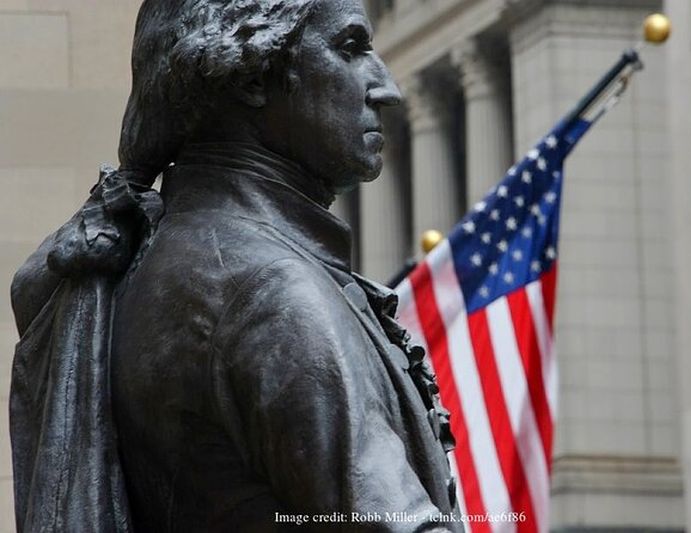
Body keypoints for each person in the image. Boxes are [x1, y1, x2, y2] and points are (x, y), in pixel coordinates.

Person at [9, 0, 461, 531]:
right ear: (251, 76)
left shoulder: (169, 263)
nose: (387, 87)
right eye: (350, 48)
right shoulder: (269, 291)